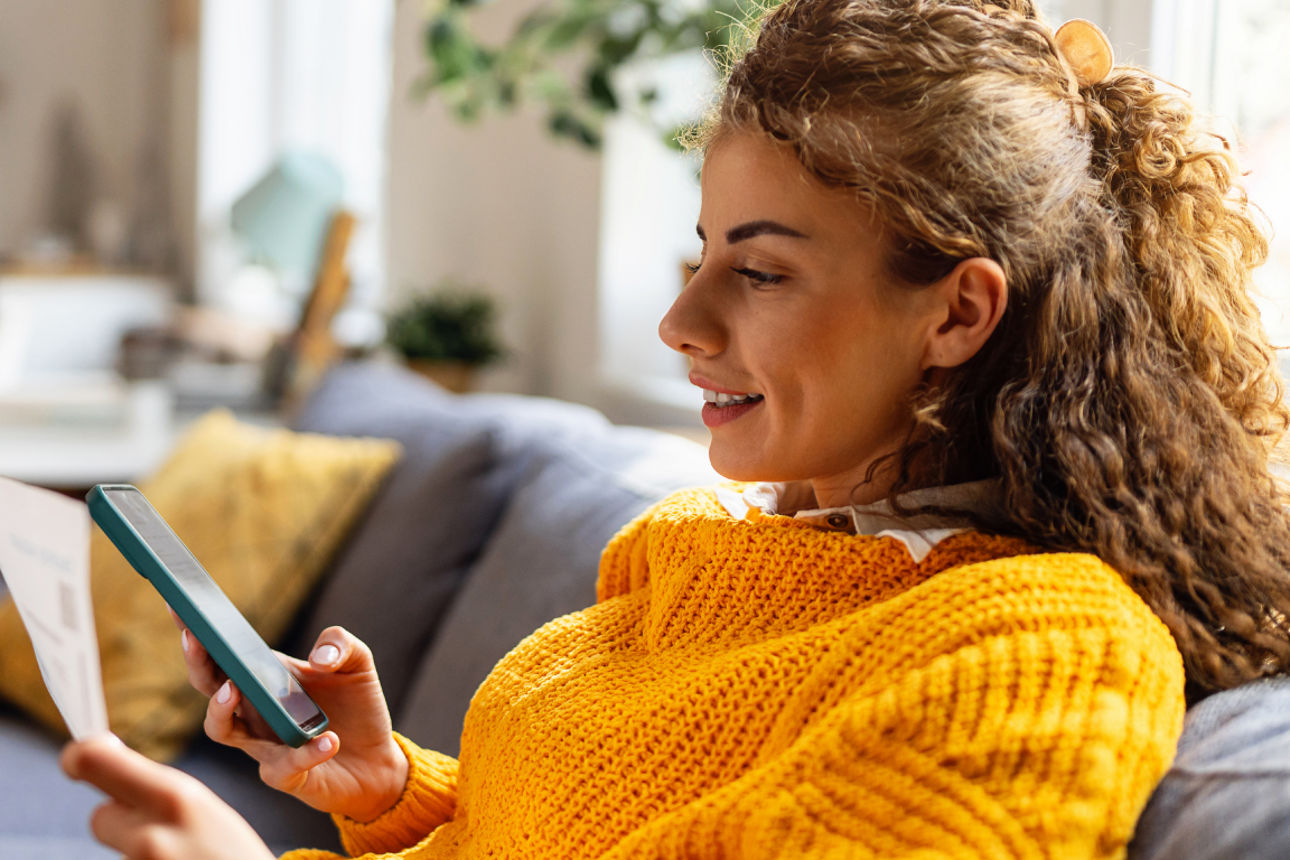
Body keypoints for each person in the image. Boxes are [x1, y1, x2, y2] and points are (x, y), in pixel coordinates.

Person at [61, 0, 1290, 856]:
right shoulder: (692, 546)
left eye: (759, 272)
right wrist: (391, 786)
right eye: (702, 253)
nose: (678, 321)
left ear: (958, 313)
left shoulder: (1041, 649)